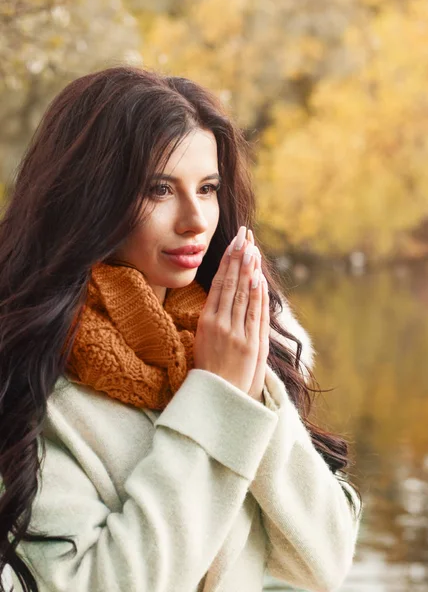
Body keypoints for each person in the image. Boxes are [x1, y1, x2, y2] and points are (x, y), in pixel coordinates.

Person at [0, 66, 362, 592]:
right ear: (89, 197)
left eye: (209, 188)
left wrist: (246, 383)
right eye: (159, 189)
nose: (195, 219)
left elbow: (324, 562)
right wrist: (216, 401)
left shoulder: (232, 346)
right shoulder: (32, 380)